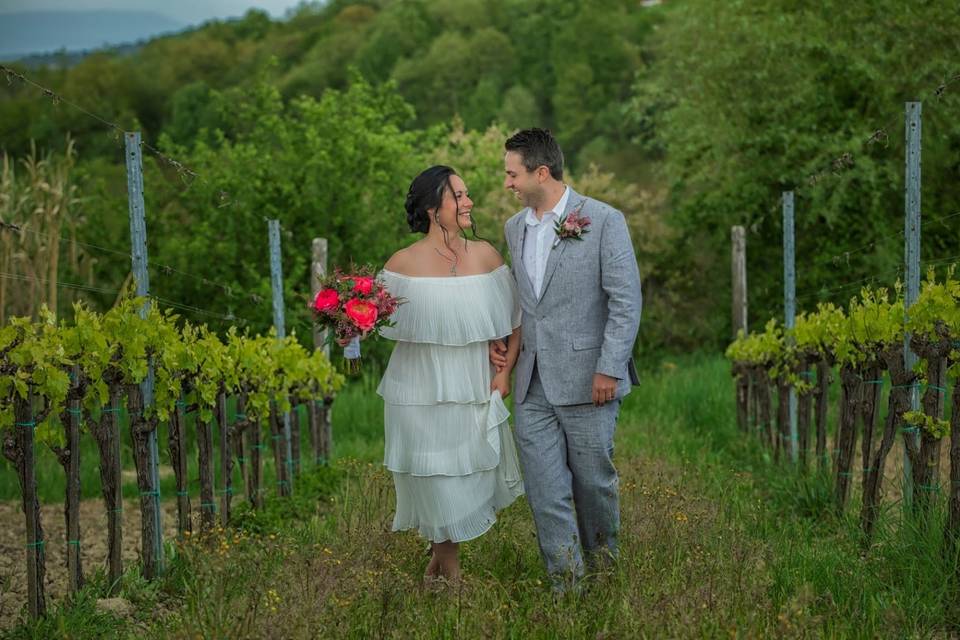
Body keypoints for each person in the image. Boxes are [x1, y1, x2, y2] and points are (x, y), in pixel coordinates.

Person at [491, 128, 642, 591]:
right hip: (532, 383)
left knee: (594, 485)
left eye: (512, 174)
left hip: (589, 379)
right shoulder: (514, 228)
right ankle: (567, 585)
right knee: (544, 489)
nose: (508, 184)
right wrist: (504, 345)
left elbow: (626, 300)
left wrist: (609, 367)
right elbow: (524, 302)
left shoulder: (603, 219)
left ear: (541, 172)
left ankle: (606, 573)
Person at [377, 165, 524, 584]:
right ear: (431, 208)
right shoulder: (400, 264)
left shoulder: (486, 254)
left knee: (462, 481)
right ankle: (452, 582)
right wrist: (347, 319)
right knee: (437, 481)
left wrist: (505, 369)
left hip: (472, 385)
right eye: (457, 196)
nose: (468, 203)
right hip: (417, 390)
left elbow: (514, 319)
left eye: (466, 194)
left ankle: (433, 575)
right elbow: (372, 318)